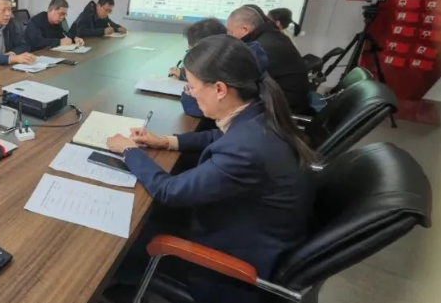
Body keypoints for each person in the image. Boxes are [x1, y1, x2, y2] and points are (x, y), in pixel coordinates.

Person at [106, 35, 315, 303]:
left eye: (192, 87)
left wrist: (129, 150)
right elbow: (218, 136)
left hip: (232, 267)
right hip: (253, 226)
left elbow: (169, 191)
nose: (190, 93)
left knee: (132, 228)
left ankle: (121, 286)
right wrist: (166, 141)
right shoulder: (257, 111)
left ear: (219, 89)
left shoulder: (246, 150)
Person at [227, 5, 310, 114]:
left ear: (245, 29)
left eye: (230, 32)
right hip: (293, 100)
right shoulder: (273, 35)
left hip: (284, 110)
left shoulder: (260, 48)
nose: (229, 36)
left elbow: (242, 84)